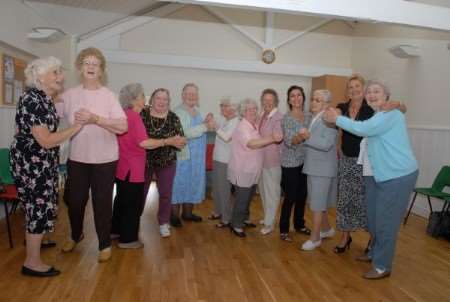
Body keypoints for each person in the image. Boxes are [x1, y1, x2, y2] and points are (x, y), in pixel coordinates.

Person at [323, 80, 418, 279]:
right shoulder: (378, 114)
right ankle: (374, 252)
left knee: (385, 223)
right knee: (373, 219)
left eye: (377, 91)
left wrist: (337, 120)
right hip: (377, 174)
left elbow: (363, 129)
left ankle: (382, 266)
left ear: (386, 96)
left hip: (397, 176)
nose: (372, 95)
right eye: (369, 92)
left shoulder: (390, 114)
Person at [10, 56, 82, 277]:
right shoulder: (32, 99)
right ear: (40, 77)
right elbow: (46, 140)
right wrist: (75, 128)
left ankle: (35, 242)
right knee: (38, 209)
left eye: (61, 71)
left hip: (38, 161)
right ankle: (32, 263)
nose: (61, 76)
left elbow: (20, 131)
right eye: (56, 72)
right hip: (32, 164)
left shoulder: (43, 98)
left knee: (40, 206)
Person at [57, 47, 127, 262]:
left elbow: (122, 126)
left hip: (105, 161)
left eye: (95, 64)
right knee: (75, 201)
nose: (90, 67)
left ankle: (104, 244)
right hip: (78, 159)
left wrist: (96, 119)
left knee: (102, 202)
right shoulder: (69, 95)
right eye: (86, 63)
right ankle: (75, 234)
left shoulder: (109, 96)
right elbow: (49, 115)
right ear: (80, 68)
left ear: (101, 70)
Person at [334, 74, 407, 253]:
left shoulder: (372, 107)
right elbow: (334, 123)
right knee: (345, 201)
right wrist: (338, 145)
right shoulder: (342, 107)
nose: (354, 90)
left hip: (368, 163)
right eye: (350, 87)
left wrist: (398, 103)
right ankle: (345, 237)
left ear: (363, 89)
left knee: (368, 202)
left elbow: (400, 108)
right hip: (347, 161)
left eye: (357, 86)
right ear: (347, 91)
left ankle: (372, 240)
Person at [228, 99, 283, 237]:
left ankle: (244, 219)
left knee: (248, 197)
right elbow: (251, 144)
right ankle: (236, 225)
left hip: (253, 169)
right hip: (243, 169)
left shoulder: (253, 125)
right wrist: (272, 138)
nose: (252, 111)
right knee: (242, 198)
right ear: (242, 112)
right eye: (248, 109)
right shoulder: (242, 126)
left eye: (254, 108)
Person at [141, 88, 186, 237]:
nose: (161, 101)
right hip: (143, 161)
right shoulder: (143, 114)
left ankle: (163, 222)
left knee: (165, 193)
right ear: (152, 100)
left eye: (165, 99)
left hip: (167, 161)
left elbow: (181, 138)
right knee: (141, 192)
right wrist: (168, 141)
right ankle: (134, 220)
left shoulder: (173, 118)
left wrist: (181, 141)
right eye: (158, 98)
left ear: (169, 102)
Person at [171, 83, 215, 226]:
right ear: (182, 95)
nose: (191, 96)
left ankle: (188, 214)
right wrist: (204, 126)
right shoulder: (177, 112)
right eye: (188, 94)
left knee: (192, 183)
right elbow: (184, 132)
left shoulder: (198, 111)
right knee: (179, 185)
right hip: (183, 156)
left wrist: (206, 120)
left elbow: (199, 128)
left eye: (194, 94)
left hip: (197, 157)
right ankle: (174, 217)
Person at [300, 90, 338, 251]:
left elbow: (326, 144)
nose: (314, 102)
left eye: (318, 100)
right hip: (314, 167)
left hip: (322, 169)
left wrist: (307, 136)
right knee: (317, 202)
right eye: (313, 99)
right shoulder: (315, 118)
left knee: (316, 205)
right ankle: (327, 230)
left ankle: (315, 238)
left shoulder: (330, 119)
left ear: (326, 104)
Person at [279, 85, 311, 242]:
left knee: (302, 196)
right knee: (290, 197)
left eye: (299, 95)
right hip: (290, 163)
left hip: (306, 162)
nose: (296, 98)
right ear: (289, 100)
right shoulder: (286, 118)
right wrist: (303, 136)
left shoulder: (309, 116)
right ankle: (284, 229)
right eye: (293, 96)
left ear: (303, 97)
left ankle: (299, 224)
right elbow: (290, 141)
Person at [258, 89, 284, 235]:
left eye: (270, 100)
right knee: (263, 191)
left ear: (275, 101)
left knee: (272, 193)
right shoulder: (262, 115)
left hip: (272, 161)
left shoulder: (279, 117)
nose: (267, 102)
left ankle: (269, 223)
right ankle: (267, 216)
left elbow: (277, 137)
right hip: (260, 160)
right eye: (265, 100)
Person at [210, 98, 239, 228]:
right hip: (217, 158)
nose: (223, 109)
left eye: (226, 106)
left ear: (233, 108)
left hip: (225, 161)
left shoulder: (236, 122)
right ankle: (217, 211)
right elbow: (212, 119)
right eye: (221, 106)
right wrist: (209, 117)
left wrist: (216, 127)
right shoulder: (224, 119)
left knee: (224, 190)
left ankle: (226, 218)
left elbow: (227, 138)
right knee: (216, 188)